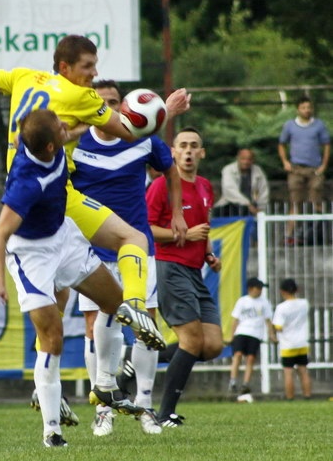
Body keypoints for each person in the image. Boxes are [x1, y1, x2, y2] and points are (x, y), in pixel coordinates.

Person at [0, 35, 186, 354]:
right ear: (64, 67)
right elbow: (129, 132)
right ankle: (136, 307)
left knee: (58, 303)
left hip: (25, 195)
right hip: (59, 197)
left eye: (95, 65)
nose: (93, 73)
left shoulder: (23, 77)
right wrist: (165, 109)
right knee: (134, 240)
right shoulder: (80, 96)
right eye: (87, 66)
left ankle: (66, 382)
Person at [0, 109, 145, 448]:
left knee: (115, 303)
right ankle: (52, 431)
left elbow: (70, 133)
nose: (66, 128)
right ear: (47, 147)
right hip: (32, 255)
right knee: (52, 336)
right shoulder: (27, 184)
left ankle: (106, 384)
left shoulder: (47, 142)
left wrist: (116, 121)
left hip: (64, 237)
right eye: (60, 127)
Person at [71, 80, 183, 436]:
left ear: (123, 106)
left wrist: (177, 213)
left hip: (136, 245)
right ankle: (104, 405)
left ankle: (146, 407)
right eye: (101, 102)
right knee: (97, 323)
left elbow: (171, 169)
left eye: (114, 101)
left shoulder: (143, 140)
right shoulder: (75, 144)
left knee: (145, 324)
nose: (108, 107)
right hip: (92, 249)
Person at [147, 127, 223, 428]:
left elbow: (203, 226)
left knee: (212, 345)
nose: (189, 151)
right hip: (169, 266)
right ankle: (164, 414)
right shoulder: (161, 185)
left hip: (195, 271)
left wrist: (207, 253)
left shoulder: (205, 186)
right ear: (173, 152)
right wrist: (184, 234)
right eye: (183, 146)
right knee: (192, 340)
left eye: (194, 146)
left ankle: (136, 361)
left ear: (202, 152)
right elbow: (146, 228)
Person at [278, 96, 330, 244]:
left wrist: (324, 165)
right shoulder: (289, 125)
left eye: (309, 107)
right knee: (295, 202)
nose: (307, 110)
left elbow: (326, 144)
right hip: (296, 169)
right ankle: (289, 234)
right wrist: (285, 162)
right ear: (298, 109)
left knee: (316, 200)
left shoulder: (319, 125)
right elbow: (281, 143)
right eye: (304, 108)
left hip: (315, 169)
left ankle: (318, 234)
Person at [228, 277, 274, 399]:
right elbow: (235, 320)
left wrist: (271, 334)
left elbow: (268, 320)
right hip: (242, 331)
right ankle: (233, 380)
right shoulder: (242, 301)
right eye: (258, 288)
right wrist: (231, 336)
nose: (259, 291)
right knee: (237, 355)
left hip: (255, 333)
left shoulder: (264, 302)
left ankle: (245, 383)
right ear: (250, 289)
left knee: (250, 358)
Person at [271, 278, 312, 400]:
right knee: (303, 371)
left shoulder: (281, 308)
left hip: (288, 344)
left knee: (288, 372)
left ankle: (290, 397)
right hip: (302, 342)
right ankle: (307, 396)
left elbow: (278, 327)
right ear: (297, 289)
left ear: (282, 291)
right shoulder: (304, 303)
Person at [213, 148, 270, 217]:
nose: (246, 162)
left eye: (249, 159)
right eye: (243, 159)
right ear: (238, 158)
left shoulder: (258, 171)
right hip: (230, 205)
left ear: (253, 160)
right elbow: (229, 190)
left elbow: (263, 190)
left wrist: (260, 208)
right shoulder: (228, 169)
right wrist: (247, 204)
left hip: (253, 206)